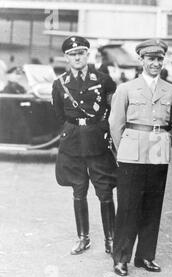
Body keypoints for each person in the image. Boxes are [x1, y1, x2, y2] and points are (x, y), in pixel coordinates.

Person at [109, 39, 172, 277]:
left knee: (152, 207)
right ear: (141, 60)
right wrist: (125, 149)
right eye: (151, 59)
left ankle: (145, 256)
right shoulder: (126, 89)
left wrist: (166, 146)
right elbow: (115, 124)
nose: (156, 63)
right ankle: (121, 258)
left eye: (160, 59)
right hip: (131, 154)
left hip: (158, 153)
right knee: (128, 207)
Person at [52, 36, 117, 255]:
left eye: (80, 53)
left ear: (88, 54)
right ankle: (83, 238)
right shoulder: (60, 83)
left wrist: (103, 130)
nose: (76, 57)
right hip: (72, 143)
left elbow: (113, 110)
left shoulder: (104, 80)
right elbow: (59, 114)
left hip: (97, 141)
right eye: (71, 54)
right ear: (66, 57)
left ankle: (111, 239)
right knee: (78, 191)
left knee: (104, 191)